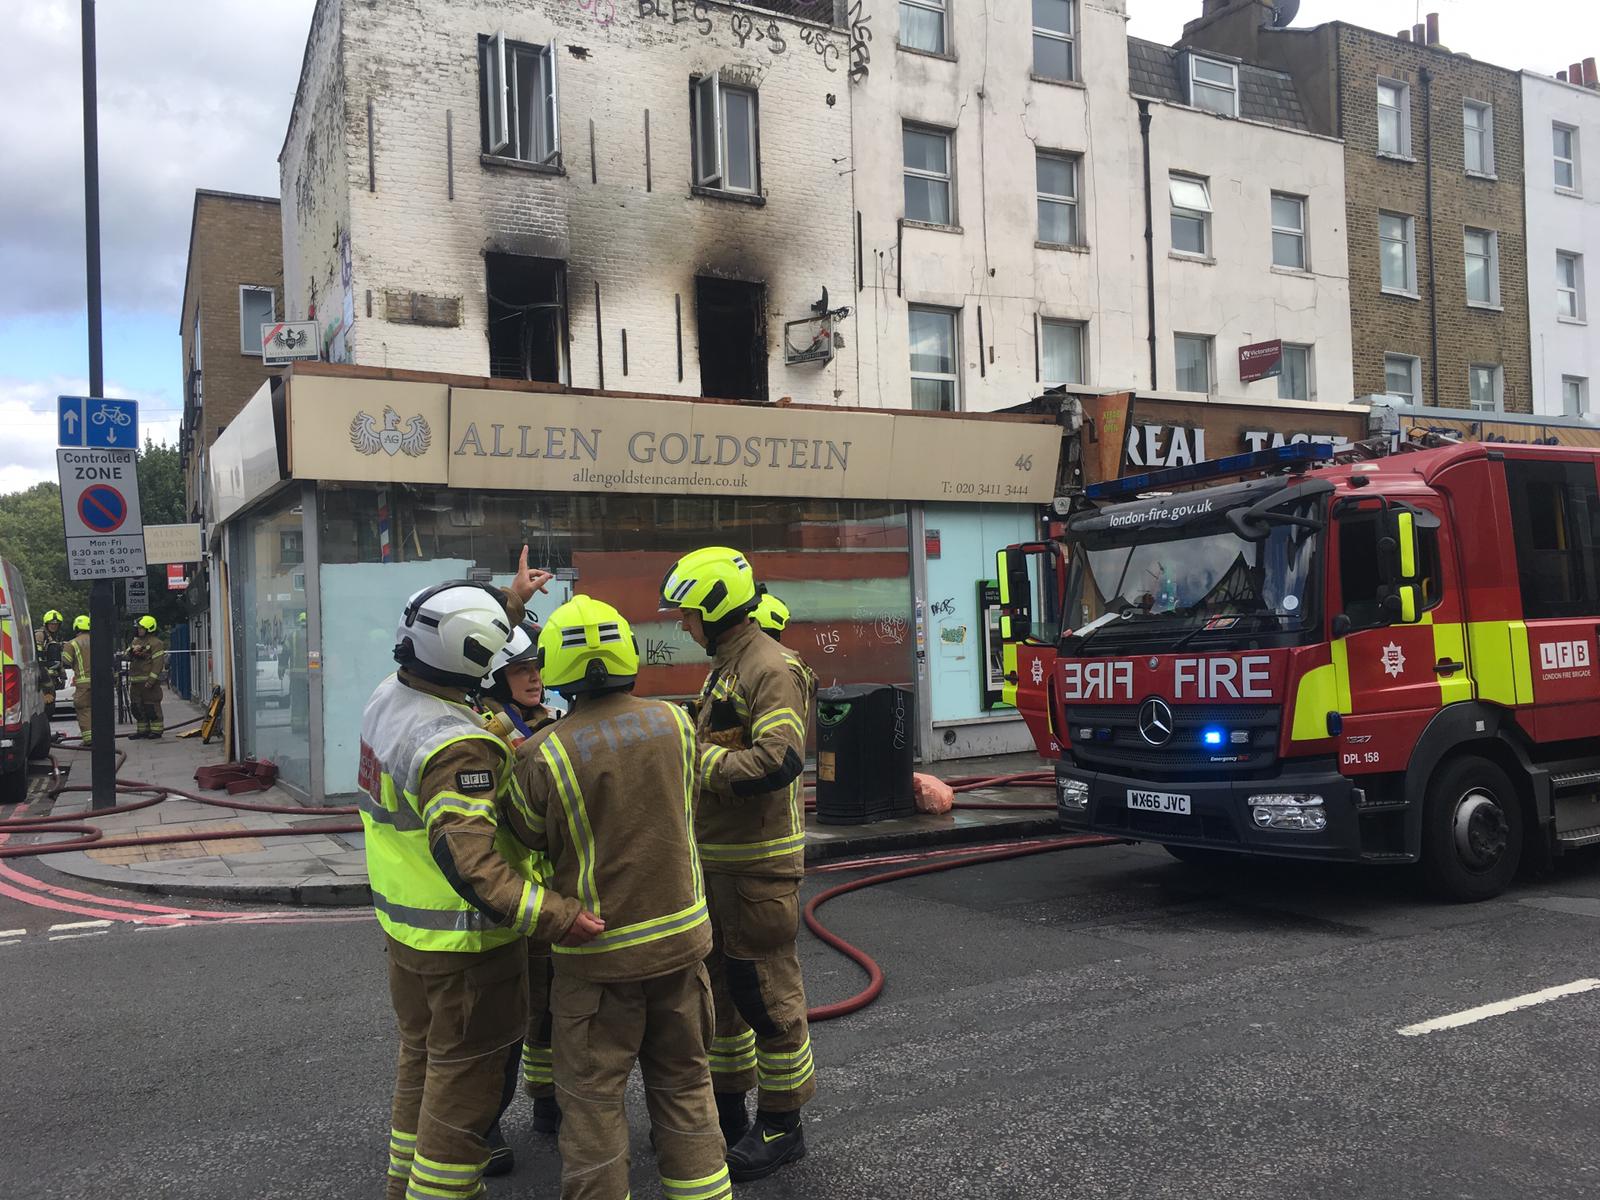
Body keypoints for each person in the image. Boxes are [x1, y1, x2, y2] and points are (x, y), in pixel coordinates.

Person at [356, 549, 603, 1200]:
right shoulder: (458, 745)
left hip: (409, 937)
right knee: (462, 1110)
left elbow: (465, 643)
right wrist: (558, 915)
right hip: (466, 948)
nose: (515, 668)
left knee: (421, 1071)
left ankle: (402, 1184)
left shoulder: (392, 698)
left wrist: (513, 601)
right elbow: (474, 866)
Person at [511, 594, 730, 1200]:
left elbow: (525, 836)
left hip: (597, 960)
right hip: (683, 950)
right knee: (687, 1091)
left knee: (593, 1109)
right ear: (628, 656)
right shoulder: (676, 723)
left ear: (556, 668)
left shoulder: (541, 755)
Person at [660, 547, 818, 1181]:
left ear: (717, 608)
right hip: (720, 863)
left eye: (688, 612)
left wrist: (696, 764)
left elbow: (778, 761)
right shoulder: (728, 664)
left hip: (758, 868)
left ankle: (782, 1125)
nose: (681, 624)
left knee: (767, 996)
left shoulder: (769, 668)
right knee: (723, 996)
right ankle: (730, 1116)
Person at [477, 621, 563, 1167]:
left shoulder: (548, 719)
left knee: (550, 1010)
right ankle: (483, 1126)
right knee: (504, 1023)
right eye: (520, 670)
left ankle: (549, 1105)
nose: (533, 677)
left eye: (536, 668)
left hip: (548, 892)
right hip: (509, 899)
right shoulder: (490, 732)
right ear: (495, 679)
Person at [126, 616, 167, 740]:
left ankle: (156, 731)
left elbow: (158, 663)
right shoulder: (135, 642)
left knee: (151, 706)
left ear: (149, 628)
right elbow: (126, 655)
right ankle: (142, 730)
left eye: (141, 628)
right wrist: (132, 652)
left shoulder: (156, 643)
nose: (139, 630)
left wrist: (151, 680)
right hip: (135, 681)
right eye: (138, 628)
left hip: (148, 683)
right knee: (137, 707)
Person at [61, 616, 94, 746]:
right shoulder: (98, 639)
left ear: (76, 627)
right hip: (100, 682)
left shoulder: (72, 643)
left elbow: (66, 661)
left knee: (84, 709)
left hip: (83, 683)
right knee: (99, 709)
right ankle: (102, 736)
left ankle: (89, 739)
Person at [35, 610, 66, 710]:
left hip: (52, 678)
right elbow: (38, 659)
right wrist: (44, 680)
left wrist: (62, 675)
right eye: (52, 624)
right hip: (44, 679)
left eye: (56, 624)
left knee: (50, 707)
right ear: (46, 624)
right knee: (46, 708)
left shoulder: (54, 638)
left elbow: (58, 659)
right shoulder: (40, 635)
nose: (54, 626)